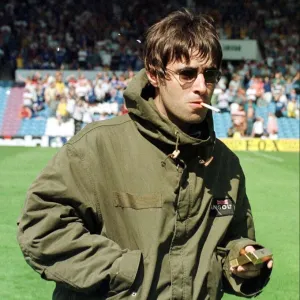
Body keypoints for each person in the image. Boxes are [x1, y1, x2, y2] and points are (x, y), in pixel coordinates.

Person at [17, 9, 273, 300]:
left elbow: (232, 244)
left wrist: (243, 259)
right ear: (154, 74)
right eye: (187, 74)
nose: (202, 87)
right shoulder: (97, 147)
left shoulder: (226, 165)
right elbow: (41, 228)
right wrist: (124, 271)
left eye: (210, 74)